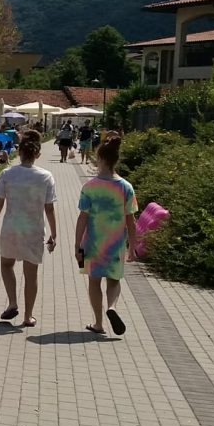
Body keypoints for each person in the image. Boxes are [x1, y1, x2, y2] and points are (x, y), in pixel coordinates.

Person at [0, 130, 56, 328]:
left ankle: (12, 302)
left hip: (11, 228)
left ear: (19, 152)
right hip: (34, 230)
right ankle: (28, 316)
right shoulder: (46, 176)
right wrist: (54, 233)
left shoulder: (8, 174)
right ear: (38, 155)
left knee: (7, 265)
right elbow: (49, 207)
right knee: (31, 274)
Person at [76, 131, 138, 337]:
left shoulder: (90, 187)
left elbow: (82, 218)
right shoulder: (126, 187)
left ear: (100, 159)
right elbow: (131, 220)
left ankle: (98, 322)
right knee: (114, 280)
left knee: (94, 281)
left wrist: (77, 246)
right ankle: (112, 307)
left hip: (91, 243)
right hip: (116, 243)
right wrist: (133, 246)